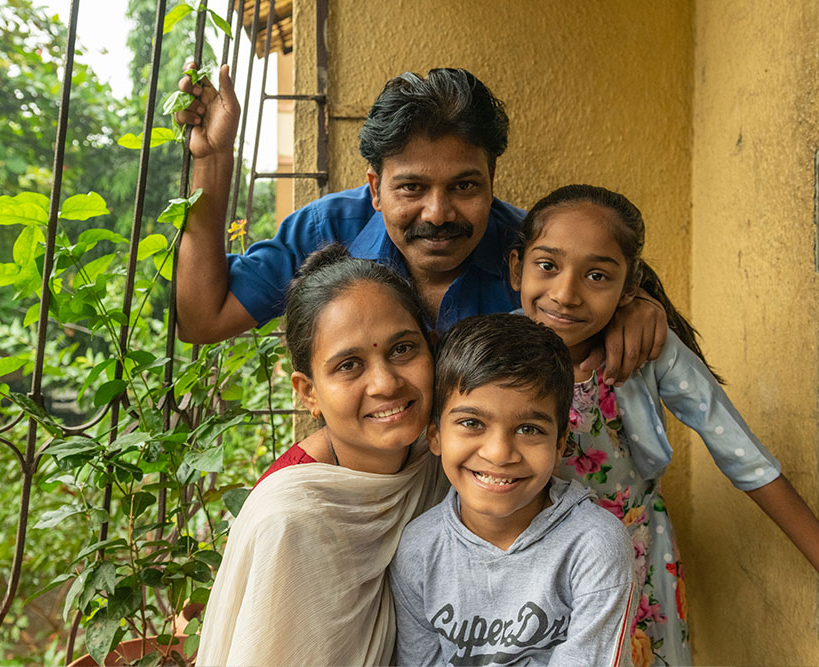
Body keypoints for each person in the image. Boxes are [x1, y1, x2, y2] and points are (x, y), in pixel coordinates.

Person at [174, 65, 666, 386]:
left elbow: (597, 290)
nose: (438, 213)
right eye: (410, 188)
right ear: (374, 187)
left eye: (464, 187)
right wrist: (214, 161)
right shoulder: (326, 229)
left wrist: (633, 309)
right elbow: (204, 319)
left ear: (491, 180)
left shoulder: (539, 258)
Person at [508, 183, 819, 666]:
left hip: (636, 561)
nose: (565, 294)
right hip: (533, 564)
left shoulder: (649, 352)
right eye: (547, 266)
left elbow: (743, 455)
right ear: (516, 268)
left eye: (597, 276)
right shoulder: (491, 355)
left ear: (629, 288)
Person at [197, 244, 448, 666]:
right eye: (349, 365)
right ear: (308, 391)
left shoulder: (443, 457)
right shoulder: (293, 522)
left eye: (403, 349)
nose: (385, 383)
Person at [391, 313, 637, 666]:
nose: (499, 453)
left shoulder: (593, 544)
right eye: (472, 423)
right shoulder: (418, 550)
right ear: (435, 436)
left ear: (560, 445)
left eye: (529, 429)